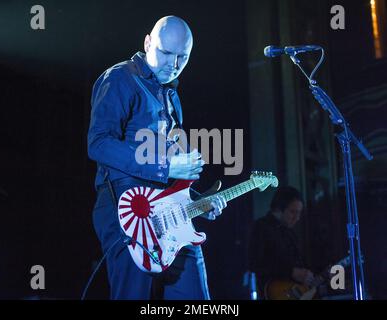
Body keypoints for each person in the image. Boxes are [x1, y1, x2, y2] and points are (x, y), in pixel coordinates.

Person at [87, 16, 226, 300]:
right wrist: (165, 165)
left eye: (182, 58)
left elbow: (171, 176)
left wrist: (198, 201)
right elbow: (99, 144)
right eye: (165, 53)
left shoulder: (171, 96)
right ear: (148, 42)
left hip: (169, 214)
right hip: (126, 209)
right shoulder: (120, 78)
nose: (173, 65)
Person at [247, 186, 314, 299]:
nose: (297, 218)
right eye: (293, 212)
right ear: (278, 209)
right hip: (271, 293)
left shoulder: (290, 233)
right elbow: (255, 264)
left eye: (299, 213)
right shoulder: (261, 227)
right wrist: (291, 272)